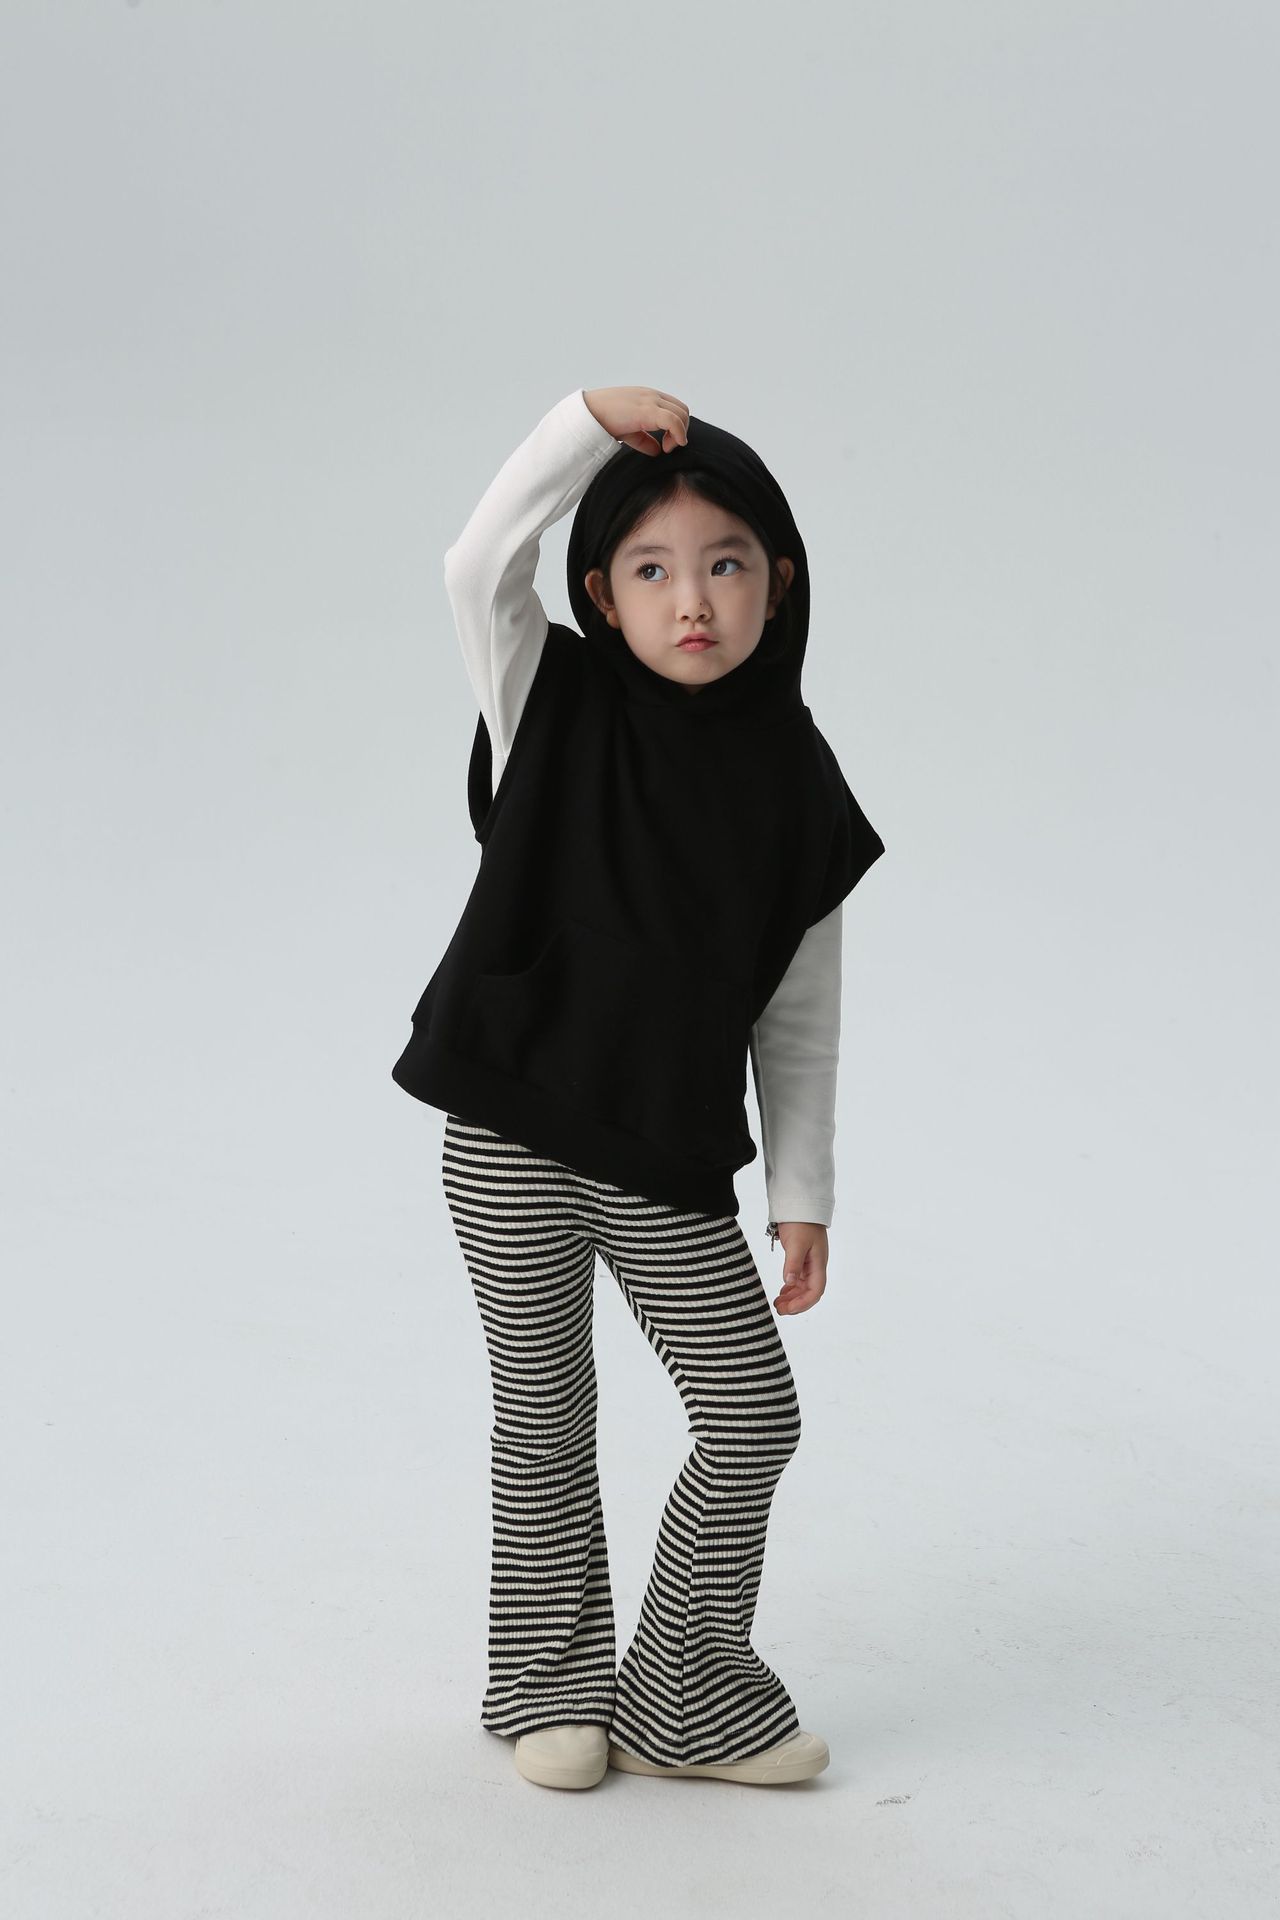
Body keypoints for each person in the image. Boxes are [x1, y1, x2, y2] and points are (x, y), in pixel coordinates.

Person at [392, 385, 885, 1790]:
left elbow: (798, 1012)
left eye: (726, 565)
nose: (694, 602)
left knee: (751, 1419)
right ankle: (546, 1687)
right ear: (601, 598)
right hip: (507, 1130)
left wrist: (801, 1192)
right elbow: (475, 565)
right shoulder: (543, 696)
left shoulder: (798, 782)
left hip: (663, 1151)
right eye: (652, 571)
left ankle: (684, 1692)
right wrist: (583, 429)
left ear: (779, 580)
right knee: (545, 1413)